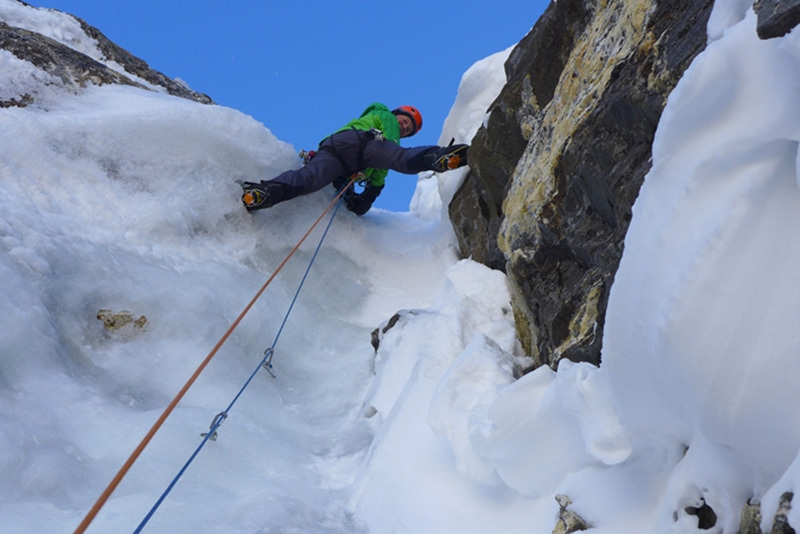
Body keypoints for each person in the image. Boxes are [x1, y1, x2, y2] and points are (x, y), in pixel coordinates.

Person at [241, 102, 469, 215]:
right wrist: (371, 194)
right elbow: (386, 160)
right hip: (365, 144)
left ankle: (263, 193)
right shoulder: (385, 118)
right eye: (405, 120)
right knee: (402, 159)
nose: (404, 125)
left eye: (408, 128)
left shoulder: (372, 120)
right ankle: (439, 157)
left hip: (334, 150)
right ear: (396, 113)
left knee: (309, 180)